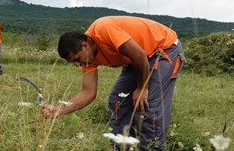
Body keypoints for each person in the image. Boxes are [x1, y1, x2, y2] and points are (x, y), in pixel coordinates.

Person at [41, 16, 185, 150]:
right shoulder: (86, 58)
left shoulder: (103, 29)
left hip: (163, 49)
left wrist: (142, 88)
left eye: (76, 59)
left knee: (147, 107)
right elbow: (88, 92)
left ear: (85, 45)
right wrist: (59, 110)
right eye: (73, 62)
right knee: (117, 102)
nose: (77, 64)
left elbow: (140, 55)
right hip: (135, 58)